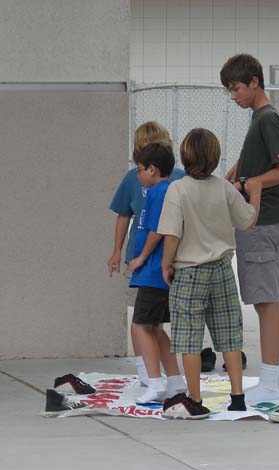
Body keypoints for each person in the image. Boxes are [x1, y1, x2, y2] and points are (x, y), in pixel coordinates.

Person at [158, 129, 262, 419]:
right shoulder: (224, 188)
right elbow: (247, 221)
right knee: (229, 334)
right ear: (215, 158)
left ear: (184, 156)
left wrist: (166, 264)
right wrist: (255, 194)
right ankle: (237, 397)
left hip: (190, 271)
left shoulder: (178, 189)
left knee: (189, 339)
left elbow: (171, 234)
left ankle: (195, 399)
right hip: (221, 269)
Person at [220, 54, 279, 402]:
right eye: (229, 90)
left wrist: (253, 183)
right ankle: (272, 379)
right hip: (259, 220)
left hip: (262, 220)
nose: (233, 96)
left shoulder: (267, 118)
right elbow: (274, 158)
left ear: (254, 82)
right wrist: (242, 166)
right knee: (265, 301)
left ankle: (269, 381)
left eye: (236, 88)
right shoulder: (260, 118)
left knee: (266, 302)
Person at [106, 121, 184, 386]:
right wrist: (117, 252)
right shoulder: (133, 178)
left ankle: (156, 378)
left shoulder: (176, 180)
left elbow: (161, 228)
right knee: (142, 320)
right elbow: (123, 214)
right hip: (140, 261)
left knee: (148, 323)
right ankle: (149, 374)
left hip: (161, 262)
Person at [126, 142, 187, 404]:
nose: (137, 175)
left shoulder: (158, 193)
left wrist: (141, 258)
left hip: (152, 273)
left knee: (141, 326)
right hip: (155, 273)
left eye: (139, 169)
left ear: (152, 169)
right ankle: (174, 380)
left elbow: (158, 230)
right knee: (156, 329)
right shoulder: (167, 190)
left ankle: (155, 382)